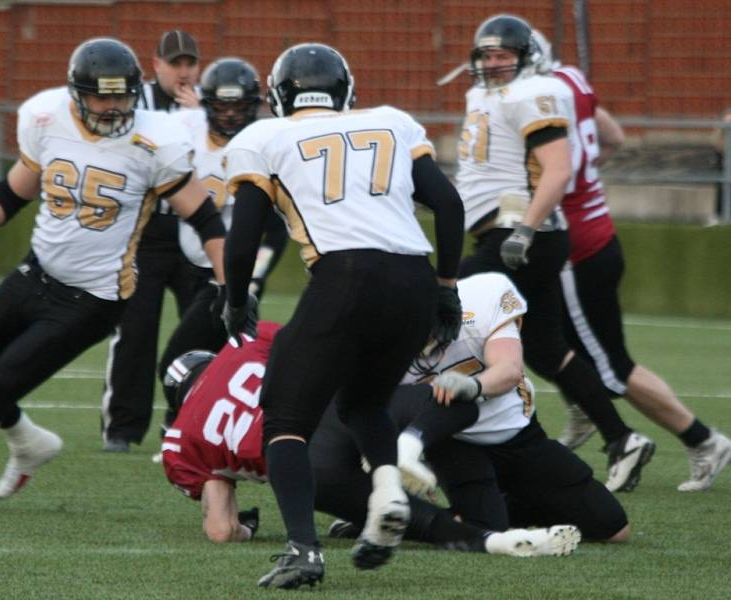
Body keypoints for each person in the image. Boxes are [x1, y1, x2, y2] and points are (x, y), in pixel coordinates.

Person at [0, 37, 225, 512]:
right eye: (100, 96)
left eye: (121, 95)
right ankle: (28, 439)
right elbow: (12, 195)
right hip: (36, 272)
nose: (112, 107)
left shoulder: (156, 141)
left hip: (94, 298)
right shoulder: (48, 118)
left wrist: (229, 285)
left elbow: (206, 219)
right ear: (75, 94)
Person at [221, 43, 465, 588]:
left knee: (285, 421)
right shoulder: (392, 122)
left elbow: (242, 244)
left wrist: (236, 299)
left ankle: (303, 550)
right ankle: (386, 494)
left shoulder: (261, 138)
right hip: (414, 279)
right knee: (363, 403)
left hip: (345, 276)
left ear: (279, 95)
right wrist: (445, 289)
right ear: (345, 90)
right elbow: (448, 205)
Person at [160, 321, 581, 560]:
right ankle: (409, 445)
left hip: (307, 469)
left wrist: (246, 529)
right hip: (334, 411)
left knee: (422, 526)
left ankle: (493, 541)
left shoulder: (179, 442)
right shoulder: (240, 345)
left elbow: (221, 530)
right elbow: (311, 344)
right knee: (450, 397)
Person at [454, 14, 654, 493]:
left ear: (527, 58)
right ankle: (621, 438)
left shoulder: (532, 92)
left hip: (523, 235)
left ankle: (412, 449)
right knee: (546, 349)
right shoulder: (484, 94)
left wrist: (524, 230)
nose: (494, 63)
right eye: (487, 54)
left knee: (442, 305)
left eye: (504, 54)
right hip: (506, 233)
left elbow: (558, 170)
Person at [528, 30, 731, 492]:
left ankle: (703, 440)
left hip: (575, 247)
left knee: (612, 367)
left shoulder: (539, 94)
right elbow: (613, 135)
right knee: (542, 334)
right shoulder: (571, 81)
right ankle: (582, 405)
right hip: (596, 231)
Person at [385, 272, 630, 543]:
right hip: (455, 443)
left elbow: (509, 369)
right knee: (486, 527)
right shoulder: (381, 341)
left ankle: (477, 510)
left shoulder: (484, 296)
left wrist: (474, 386)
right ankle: (396, 516)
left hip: (516, 433)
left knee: (612, 527)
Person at [152, 57, 287, 461]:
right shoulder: (187, 129)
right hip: (188, 263)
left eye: (238, 107)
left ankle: (184, 430)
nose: (229, 114)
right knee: (208, 358)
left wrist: (253, 279)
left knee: (181, 359)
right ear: (206, 104)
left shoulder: (263, 143)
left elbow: (275, 229)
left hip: (228, 276)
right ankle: (189, 429)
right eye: (221, 106)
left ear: (254, 106)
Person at [99, 30, 208, 453]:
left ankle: (189, 425)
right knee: (134, 331)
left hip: (195, 230)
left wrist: (202, 117)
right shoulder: (134, 100)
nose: (183, 72)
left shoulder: (209, 104)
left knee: (201, 332)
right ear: (157, 64)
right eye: (175, 63)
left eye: (189, 63)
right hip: (143, 232)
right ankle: (123, 430)